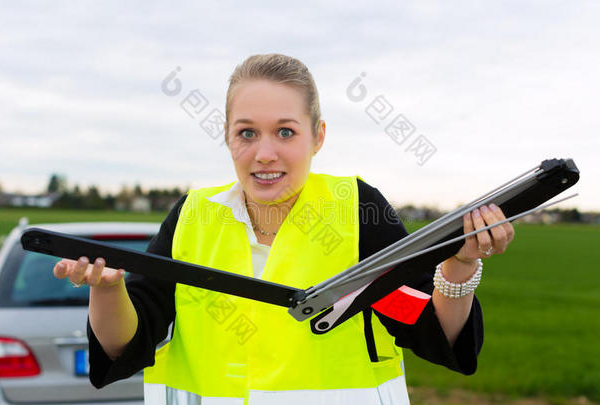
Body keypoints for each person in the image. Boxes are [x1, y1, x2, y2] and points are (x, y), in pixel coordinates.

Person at [53, 53, 515, 405]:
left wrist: (461, 263)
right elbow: (126, 346)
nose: (265, 153)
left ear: (318, 136)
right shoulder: (192, 214)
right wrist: (108, 291)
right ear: (228, 136)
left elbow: (428, 327)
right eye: (247, 132)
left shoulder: (356, 210)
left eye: (286, 132)